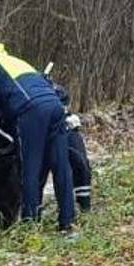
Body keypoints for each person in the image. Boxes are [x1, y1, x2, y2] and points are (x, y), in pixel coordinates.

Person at [0, 42, 76, 231]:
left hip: (30, 110)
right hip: (54, 106)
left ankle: (30, 227)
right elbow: (3, 107)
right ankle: (68, 224)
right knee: (61, 167)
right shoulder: (12, 62)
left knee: (29, 170)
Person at [51, 81, 92, 212]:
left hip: (65, 126)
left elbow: (63, 95)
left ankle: (83, 205)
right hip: (44, 127)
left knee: (80, 165)